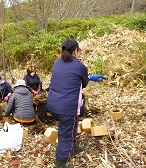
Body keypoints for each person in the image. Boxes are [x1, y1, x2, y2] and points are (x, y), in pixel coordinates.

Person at [46, 38, 105, 168]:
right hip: (67, 109)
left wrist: (91, 77)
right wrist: (90, 77)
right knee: (66, 134)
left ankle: (74, 147)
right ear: (76, 51)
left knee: (70, 127)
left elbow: (70, 76)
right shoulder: (79, 66)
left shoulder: (57, 63)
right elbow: (83, 83)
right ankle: (60, 164)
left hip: (52, 105)